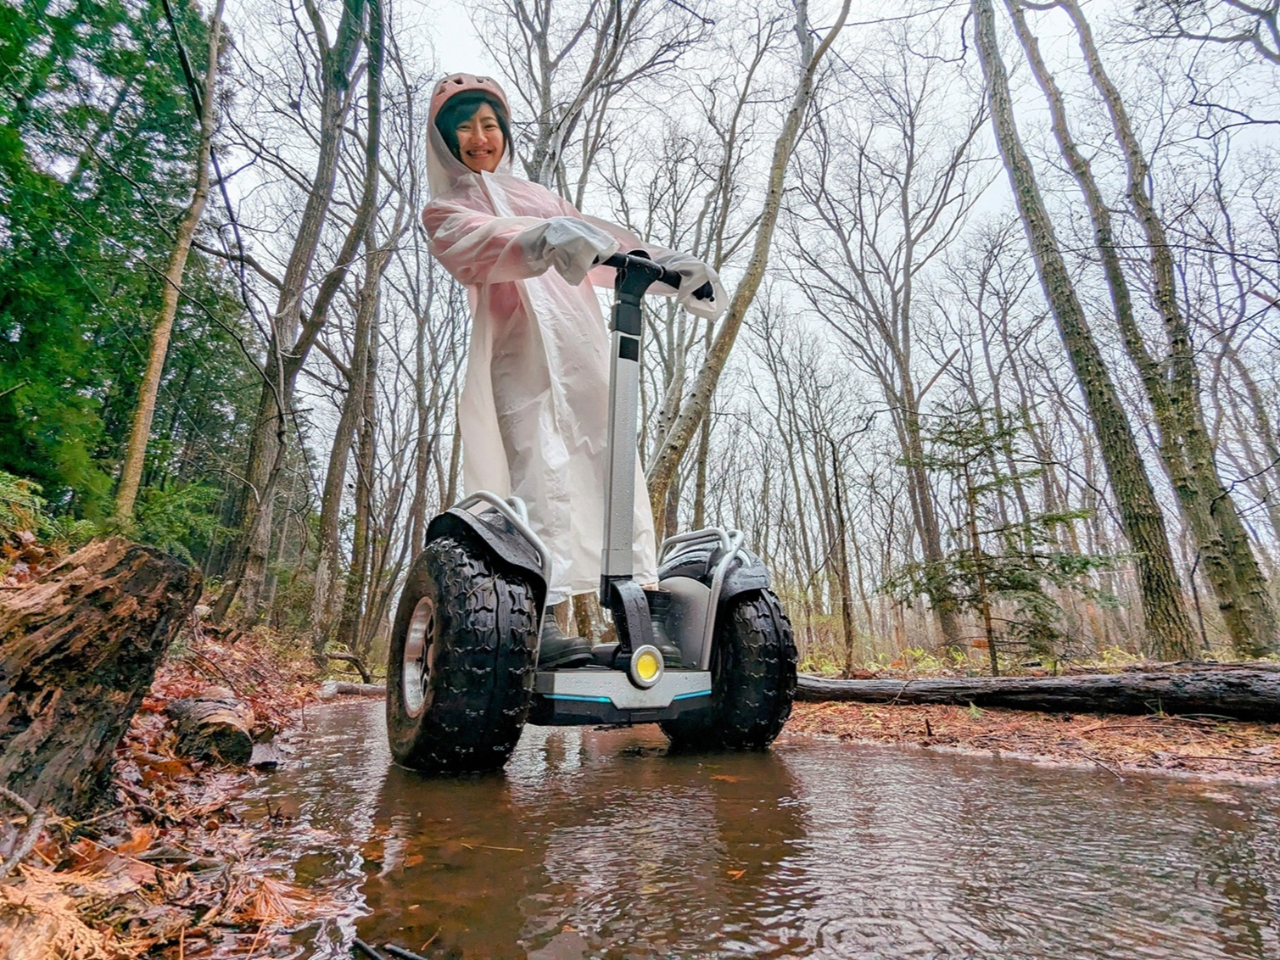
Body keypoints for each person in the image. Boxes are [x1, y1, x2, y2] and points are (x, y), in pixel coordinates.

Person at [422, 73, 725, 667]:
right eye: (464, 127)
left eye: (489, 124)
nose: (480, 138)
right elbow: (476, 245)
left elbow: (606, 245)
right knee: (536, 471)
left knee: (613, 465)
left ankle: (639, 613)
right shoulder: (447, 208)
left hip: (583, 344)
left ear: (504, 131)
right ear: (444, 138)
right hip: (519, 349)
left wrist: (669, 266)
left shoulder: (540, 195)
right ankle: (545, 617)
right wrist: (541, 238)